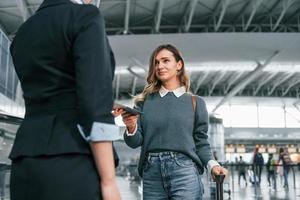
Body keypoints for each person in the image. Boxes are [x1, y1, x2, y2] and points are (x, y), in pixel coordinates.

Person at [9, 0, 120, 199]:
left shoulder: (22, 33)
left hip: (24, 162)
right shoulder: (85, 17)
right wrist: (109, 180)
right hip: (72, 160)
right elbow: (94, 103)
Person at [114, 44, 228, 199]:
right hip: (151, 173)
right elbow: (135, 142)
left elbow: (201, 141)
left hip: (185, 172)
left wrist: (213, 165)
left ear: (179, 65)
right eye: (156, 62)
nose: (160, 66)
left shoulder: (196, 102)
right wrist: (131, 126)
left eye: (165, 61)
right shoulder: (143, 102)